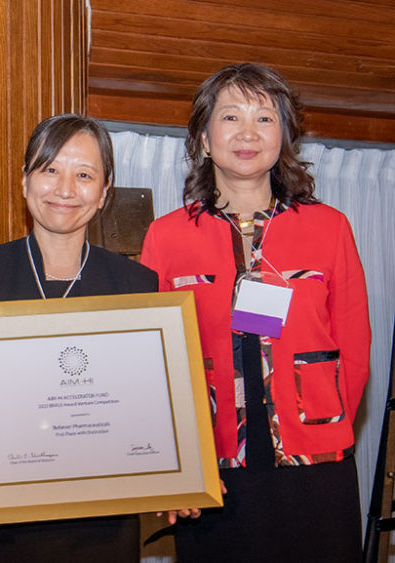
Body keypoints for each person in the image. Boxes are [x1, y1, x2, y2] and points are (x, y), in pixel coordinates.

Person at [140, 63, 370, 562]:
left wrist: (322, 426)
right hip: (214, 464)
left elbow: (354, 351)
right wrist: (179, 460)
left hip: (316, 463)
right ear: (204, 139)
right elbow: (153, 363)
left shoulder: (330, 227)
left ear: (282, 137)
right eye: (231, 117)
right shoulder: (166, 236)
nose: (248, 133)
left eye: (264, 118)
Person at [0, 114, 158, 562]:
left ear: (104, 192)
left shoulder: (136, 284)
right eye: (50, 169)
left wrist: (178, 470)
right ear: (25, 181)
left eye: (84, 175)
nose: (65, 189)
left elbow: (151, 399)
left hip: (105, 523)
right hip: (1, 519)